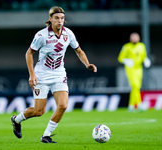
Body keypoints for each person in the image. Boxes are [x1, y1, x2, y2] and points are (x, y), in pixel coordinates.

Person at [11, 6, 97, 143]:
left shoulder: (68, 34)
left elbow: (79, 51)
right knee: (39, 112)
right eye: (56, 18)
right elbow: (29, 53)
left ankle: (46, 136)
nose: (60, 21)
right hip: (41, 76)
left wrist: (87, 64)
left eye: (62, 18)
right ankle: (16, 120)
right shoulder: (41, 35)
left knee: (63, 105)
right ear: (50, 19)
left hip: (58, 74)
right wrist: (32, 74)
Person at [118, 32, 151, 112]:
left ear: (139, 38)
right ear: (130, 39)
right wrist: (126, 61)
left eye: (136, 37)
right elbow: (120, 58)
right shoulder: (126, 47)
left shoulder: (141, 46)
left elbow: (144, 55)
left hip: (139, 68)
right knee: (135, 85)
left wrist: (146, 60)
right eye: (133, 37)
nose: (135, 39)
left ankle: (131, 105)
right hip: (130, 69)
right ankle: (139, 104)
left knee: (136, 87)